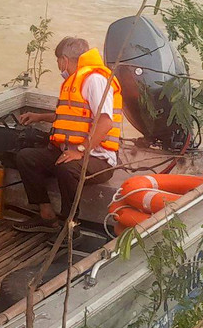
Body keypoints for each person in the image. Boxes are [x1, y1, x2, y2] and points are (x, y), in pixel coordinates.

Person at [12, 36, 124, 233]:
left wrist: (81, 151)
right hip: (71, 152)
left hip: (98, 159)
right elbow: (72, 117)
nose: (58, 66)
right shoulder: (75, 81)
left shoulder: (95, 80)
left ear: (64, 59)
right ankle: (46, 215)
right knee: (26, 157)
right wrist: (39, 117)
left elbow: (105, 122)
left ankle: (71, 226)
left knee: (67, 168)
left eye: (58, 61)